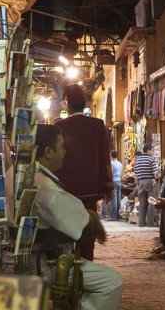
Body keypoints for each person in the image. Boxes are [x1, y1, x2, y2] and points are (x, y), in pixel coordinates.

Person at [33, 124, 122, 310]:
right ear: (48, 152)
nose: (65, 153)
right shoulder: (44, 187)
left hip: (34, 257)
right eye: (62, 147)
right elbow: (80, 222)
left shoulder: (24, 174)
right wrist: (90, 217)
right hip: (43, 264)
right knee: (111, 282)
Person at [55, 84, 112, 260]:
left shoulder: (60, 126)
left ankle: (68, 270)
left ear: (67, 103)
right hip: (90, 191)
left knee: (66, 232)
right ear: (85, 103)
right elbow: (105, 157)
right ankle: (86, 266)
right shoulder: (97, 125)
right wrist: (107, 186)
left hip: (66, 190)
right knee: (88, 233)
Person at [134, 143, 157, 227]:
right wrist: (156, 177)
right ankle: (150, 223)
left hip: (140, 182)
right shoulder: (151, 159)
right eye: (152, 150)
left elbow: (135, 172)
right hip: (149, 182)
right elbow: (155, 173)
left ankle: (141, 222)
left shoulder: (138, 160)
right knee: (151, 202)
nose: (153, 152)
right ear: (148, 150)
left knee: (142, 203)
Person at [107, 151, 123, 221]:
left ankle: (114, 216)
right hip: (119, 181)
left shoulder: (111, 163)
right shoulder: (120, 163)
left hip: (114, 181)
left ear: (111, 156)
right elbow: (121, 173)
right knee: (119, 198)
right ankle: (119, 215)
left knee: (114, 199)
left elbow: (111, 173)